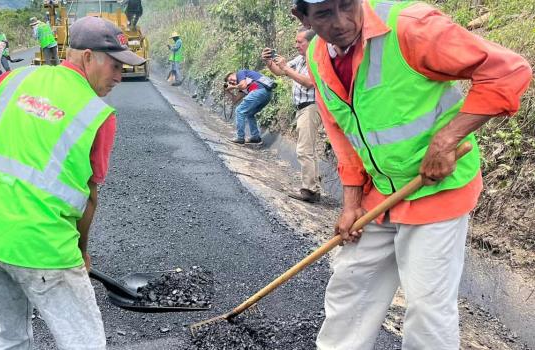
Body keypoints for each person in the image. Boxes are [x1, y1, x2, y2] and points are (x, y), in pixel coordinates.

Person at [291, 0, 532, 349]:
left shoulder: (410, 26)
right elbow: (342, 134)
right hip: (379, 195)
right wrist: (351, 203)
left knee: (426, 307)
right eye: (325, 14)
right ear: (302, 17)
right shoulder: (316, 54)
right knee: (350, 284)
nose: (342, 21)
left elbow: (509, 71)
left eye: (347, 5)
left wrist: (449, 137)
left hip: (436, 192)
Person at [0, 16, 145, 350]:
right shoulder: (97, 114)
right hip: (43, 249)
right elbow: (90, 198)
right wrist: (81, 252)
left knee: (12, 335)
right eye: (115, 65)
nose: (119, 76)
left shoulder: (16, 79)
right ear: (87, 56)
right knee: (85, 342)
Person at [262, 28, 321, 203]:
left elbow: (310, 83)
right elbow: (280, 72)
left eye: (299, 42)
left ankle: (309, 190)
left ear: (311, 43)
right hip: (303, 108)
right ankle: (313, 188)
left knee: (304, 149)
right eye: (296, 42)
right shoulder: (301, 59)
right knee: (309, 149)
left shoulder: (316, 59)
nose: (296, 45)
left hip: (311, 107)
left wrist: (286, 67)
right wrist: (269, 62)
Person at [224, 69, 274, 144]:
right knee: (249, 114)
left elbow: (242, 85)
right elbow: (235, 100)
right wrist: (227, 91)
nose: (233, 82)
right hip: (267, 94)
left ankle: (240, 137)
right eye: (230, 82)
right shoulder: (242, 87)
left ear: (234, 73)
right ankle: (255, 137)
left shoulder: (240, 73)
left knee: (239, 111)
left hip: (259, 91)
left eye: (231, 79)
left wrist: (232, 87)